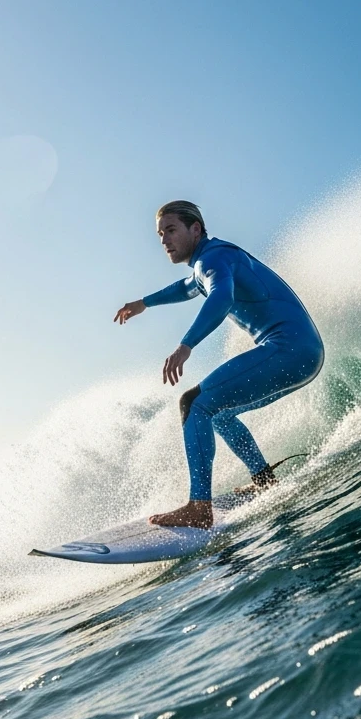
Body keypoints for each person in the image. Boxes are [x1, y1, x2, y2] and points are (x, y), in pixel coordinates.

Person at [114, 200, 324, 529]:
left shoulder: (212, 259)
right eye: (160, 234)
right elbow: (188, 287)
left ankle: (199, 507)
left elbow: (220, 296)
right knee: (220, 412)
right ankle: (264, 479)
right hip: (304, 353)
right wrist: (144, 303)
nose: (164, 240)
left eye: (171, 230)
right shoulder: (213, 258)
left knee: (194, 403)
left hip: (288, 349)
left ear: (195, 228)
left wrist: (186, 346)